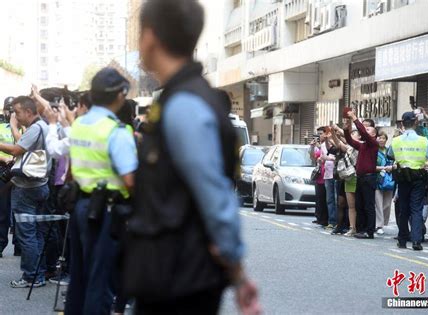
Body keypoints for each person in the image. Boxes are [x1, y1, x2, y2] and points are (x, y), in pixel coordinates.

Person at [123, 1, 261, 314]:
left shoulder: (185, 105)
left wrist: (239, 275)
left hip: (179, 279)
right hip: (172, 272)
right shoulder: (179, 97)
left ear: (150, 37)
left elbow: (214, 196)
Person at [65, 68, 138, 315]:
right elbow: (130, 180)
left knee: (79, 278)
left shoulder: (79, 125)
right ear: (120, 95)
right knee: (101, 279)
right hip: (106, 211)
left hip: (81, 207)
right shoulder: (114, 130)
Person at [0, 96, 51, 288]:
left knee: (26, 234)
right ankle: (39, 271)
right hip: (40, 185)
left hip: (27, 188)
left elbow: (15, 149)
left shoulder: (36, 128)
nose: (15, 116)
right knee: (36, 232)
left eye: (18, 112)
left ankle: (31, 276)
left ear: (28, 112)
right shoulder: (43, 127)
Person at [388, 112, 428, 251]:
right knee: (416, 209)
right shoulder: (423, 140)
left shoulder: (396, 140)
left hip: (402, 178)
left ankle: (402, 240)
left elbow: (390, 154)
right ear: (416, 122)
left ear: (402, 124)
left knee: (403, 209)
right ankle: (417, 241)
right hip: (418, 178)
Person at [343, 111, 379, 239]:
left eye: (368, 129)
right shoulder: (363, 145)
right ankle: (362, 228)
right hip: (361, 177)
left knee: (369, 205)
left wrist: (354, 118)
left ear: (373, 134)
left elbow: (363, 133)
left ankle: (369, 231)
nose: (365, 130)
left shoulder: (373, 144)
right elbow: (350, 142)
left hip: (369, 177)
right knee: (360, 204)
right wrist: (346, 130)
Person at [331, 124, 359, 236]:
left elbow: (344, 140)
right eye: (351, 134)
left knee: (358, 205)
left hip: (358, 178)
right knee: (348, 205)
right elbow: (338, 143)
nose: (351, 135)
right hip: (348, 177)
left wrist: (337, 129)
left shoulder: (361, 146)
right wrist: (333, 133)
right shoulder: (349, 147)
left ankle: (359, 227)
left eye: (354, 134)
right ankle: (351, 227)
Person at [0, 97, 15, 258]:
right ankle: (0, 243)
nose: (11, 112)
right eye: (9, 109)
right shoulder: (0, 127)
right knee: (3, 210)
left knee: (18, 208)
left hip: (20, 170)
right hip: (3, 169)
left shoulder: (26, 127)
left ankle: (20, 245)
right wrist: (4, 159)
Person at [375, 131, 394, 235]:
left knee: (387, 204)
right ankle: (379, 225)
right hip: (377, 179)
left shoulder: (389, 151)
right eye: (380, 138)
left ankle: (382, 222)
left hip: (389, 180)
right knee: (378, 203)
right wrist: (383, 168)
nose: (381, 140)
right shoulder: (374, 151)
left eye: (383, 138)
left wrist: (391, 168)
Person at [320, 128, 338, 229]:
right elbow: (323, 157)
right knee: (329, 199)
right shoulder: (323, 145)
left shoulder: (337, 143)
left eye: (331, 133)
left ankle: (339, 221)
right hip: (327, 174)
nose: (328, 135)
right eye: (327, 133)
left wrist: (330, 158)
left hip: (337, 174)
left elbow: (336, 154)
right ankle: (332, 221)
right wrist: (326, 158)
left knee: (337, 199)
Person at [309, 131, 328, 226]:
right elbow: (313, 157)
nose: (320, 136)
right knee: (319, 198)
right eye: (319, 134)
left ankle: (326, 219)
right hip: (319, 176)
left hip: (327, 175)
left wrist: (320, 147)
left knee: (326, 199)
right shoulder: (318, 147)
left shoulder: (327, 145)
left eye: (321, 134)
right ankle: (319, 217)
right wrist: (312, 147)